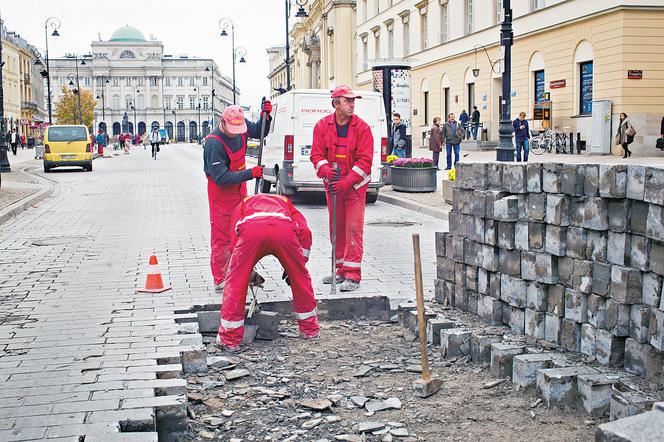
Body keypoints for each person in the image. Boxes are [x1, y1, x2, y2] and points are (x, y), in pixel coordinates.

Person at [217, 194, 319, 351]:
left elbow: (234, 240)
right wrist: (296, 267)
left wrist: (247, 272)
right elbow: (304, 232)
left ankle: (229, 339)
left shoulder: (243, 204)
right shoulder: (286, 203)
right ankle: (310, 331)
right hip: (283, 231)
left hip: (252, 231)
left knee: (235, 282)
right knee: (301, 280)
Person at [310, 84, 373, 292]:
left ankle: (353, 275)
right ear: (335, 104)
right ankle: (340, 270)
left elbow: (365, 161)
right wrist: (326, 170)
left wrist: (347, 182)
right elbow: (316, 155)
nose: (353, 104)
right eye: (348, 101)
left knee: (353, 229)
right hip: (334, 187)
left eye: (354, 101)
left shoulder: (362, 128)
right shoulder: (321, 126)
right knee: (336, 229)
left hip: (354, 188)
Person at [203, 102, 272, 292]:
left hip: (240, 190)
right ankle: (221, 279)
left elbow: (260, 131)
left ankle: (241, 271)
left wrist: (266, 115)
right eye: (232, 129)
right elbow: (221, 177)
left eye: (238, 129)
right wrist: (251, 173)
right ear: (222, 122)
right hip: (221, 194)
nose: (236, 133)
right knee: (222, 237)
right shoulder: (213, 143)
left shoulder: (240, 123)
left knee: (242, 232)